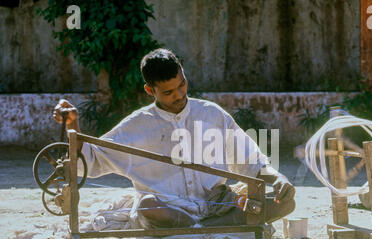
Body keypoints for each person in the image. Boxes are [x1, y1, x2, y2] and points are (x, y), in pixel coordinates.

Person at [53, 48, 295, 229]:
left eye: (182, 85)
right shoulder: (136, 126)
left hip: (218, 204)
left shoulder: (212, 114)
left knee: (285, 203)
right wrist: (73, 124)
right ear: (150, 91)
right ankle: (203, 228)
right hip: (168, 210)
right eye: (168, 92)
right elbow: (91, 161)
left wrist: (278, 178)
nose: (179, 95)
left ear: (184, 75)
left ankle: (201, 228)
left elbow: (251, 159)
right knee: (148, 206)